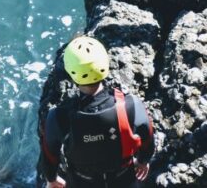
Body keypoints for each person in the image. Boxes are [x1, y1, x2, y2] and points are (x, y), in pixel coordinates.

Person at [38, 36, 154, 188]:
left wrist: (51, 178)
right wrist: (143, 161)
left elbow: (49, 155)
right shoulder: (131, 106)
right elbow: (148, 140)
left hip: (81, 183)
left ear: (71, 72)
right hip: (124, 180)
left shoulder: (59, 117)